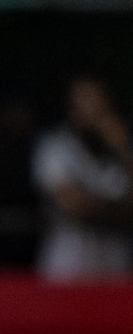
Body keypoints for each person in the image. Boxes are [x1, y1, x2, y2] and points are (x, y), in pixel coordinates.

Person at [31, 76, 133, 279]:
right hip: (67, 268)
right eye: (84, 103)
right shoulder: (56, 147)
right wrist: (121, 210)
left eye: (98, 103)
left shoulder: (122, 147)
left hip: (116, 267)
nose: (92, 112)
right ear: (72, 110)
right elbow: (71, 205)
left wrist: (122, 148)